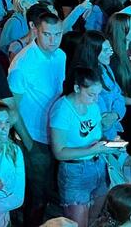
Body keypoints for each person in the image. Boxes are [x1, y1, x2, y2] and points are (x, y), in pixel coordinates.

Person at [48, 66, 111, 227]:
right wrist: (91, 150)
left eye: (98, 94)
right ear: (77, 88)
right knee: (77, 223)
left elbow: (96, 134)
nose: (96, 99)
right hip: (75, 172)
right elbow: (59, 152)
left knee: (93, 219)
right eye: (91, 94)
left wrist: (109, 143)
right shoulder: (62, 110)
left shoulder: (92, 106)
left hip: (97, 165)